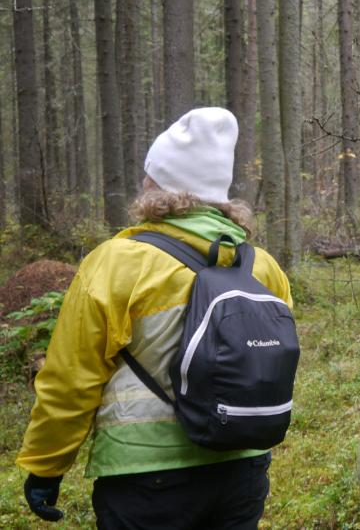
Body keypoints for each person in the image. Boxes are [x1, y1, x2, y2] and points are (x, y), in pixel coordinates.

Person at [17, 107, 293, 529]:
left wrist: (46, 463)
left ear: (159, 186)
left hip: (146, 476)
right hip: (243, 468)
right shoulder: (262, 267)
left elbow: (71, 378)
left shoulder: (118, 263)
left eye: (150, 175)